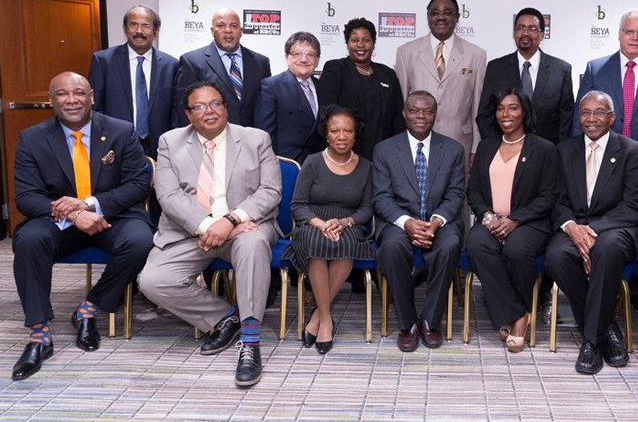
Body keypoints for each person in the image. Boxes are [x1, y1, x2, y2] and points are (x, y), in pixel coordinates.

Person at [11, 72, 153, 381]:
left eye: (78, 93)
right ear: (51, 101)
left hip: (109, 215)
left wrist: (88, 205)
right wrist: (73, 215)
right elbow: (25, 196)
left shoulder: (120, 131)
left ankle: (88, 309)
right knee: (28, 239)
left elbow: (139, 184)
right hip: (58, 221)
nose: (71, 100)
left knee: (141, 240)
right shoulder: (32, 138)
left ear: (92, 96)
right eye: (62, 94)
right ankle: (39, 334)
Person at [138, 81, 281, 388]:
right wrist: (207, 226)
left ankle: (250, 342)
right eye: (200, 106)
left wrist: (230, 220)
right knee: (152, 280)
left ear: (226, 107)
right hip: (191, 232)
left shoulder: (256, 139)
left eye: (216, 103)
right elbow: (168, 195)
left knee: (253, 243)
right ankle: (224, 317)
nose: (210, 111)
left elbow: (270, 191)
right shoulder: (170, 142)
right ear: (188, 113)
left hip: (245, 227)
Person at [546, 90, 638, 374]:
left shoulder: (632, 151)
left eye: (599, 112)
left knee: (607, 249)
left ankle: (591, 342)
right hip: (573, 226)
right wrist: (572, 227)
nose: (591, 119)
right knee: (556, 256)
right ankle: (607, 328)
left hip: (615, 227)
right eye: (585, 112)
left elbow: (634, 206)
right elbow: (555, 200)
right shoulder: (564, 150)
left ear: (612, 117)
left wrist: (590, 231)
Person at [466, 88, 558, 352]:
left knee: (518, 250)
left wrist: (515, 219)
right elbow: (473, 189)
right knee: (476, 245)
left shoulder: (543, 148)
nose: (506, 114)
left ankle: (515, 318)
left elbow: (548, 195)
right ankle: (519, 313)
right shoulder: (485, 146)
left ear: (525, 112)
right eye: (500, 108)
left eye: (513, 107)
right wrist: (485, 215)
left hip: (530, 223)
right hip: (490, 220)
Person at [373, 90, 466, 352]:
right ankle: (408, 324)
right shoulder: (385, 149)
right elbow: (381, 197)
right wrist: (407, 223)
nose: (421, 116)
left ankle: (430, 321)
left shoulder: (453, 149)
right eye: (414, 110)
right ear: (404, 113)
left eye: (427, 111)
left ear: (435, 115)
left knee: (448, 246)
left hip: (440, 220)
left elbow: (456, 194)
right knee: (391, 247)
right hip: (398, 221)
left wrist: (435, 223)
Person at [284, 105, 375, 355]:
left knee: (345, 244)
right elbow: (298, 205)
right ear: (326, 133)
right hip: (313, 222)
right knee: (316, 244)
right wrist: (321, 224)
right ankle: (326, 319)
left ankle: (316, 317)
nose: (342, 136)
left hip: (348, 223)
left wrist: (345, 222)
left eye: (348, 130)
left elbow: (367, 209)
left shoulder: (366, 166)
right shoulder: (313, 162)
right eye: (336, 130)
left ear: (356, 134)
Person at [395, 0, 486, 160]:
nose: (441, 17)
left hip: (459, 143)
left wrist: (476, 147)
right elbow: (401, 103)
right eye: (435, 13)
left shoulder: (476, 55)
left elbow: (477, 106)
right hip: (416, 142)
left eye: (447, 12)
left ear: (457, 17)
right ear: (428, 16)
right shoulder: (406, 52)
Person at [572, 9, 638, 145]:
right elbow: (580, 115)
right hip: (602, 153)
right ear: (619, 34)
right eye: (629, 31)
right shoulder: (595, 69)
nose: (635, 37)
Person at [88, 5, 178, 158]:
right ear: (125, 29)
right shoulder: (103, 61)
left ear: (155, 32)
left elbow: (175, 111)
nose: (139, 31)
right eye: (133, 24)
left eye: (146, 26)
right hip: (115, 145)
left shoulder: (172, 65)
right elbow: (95, 108)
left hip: (160, 146)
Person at [477, 7, 574, 144]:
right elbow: (485, 114)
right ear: (514, 33)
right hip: (505, 151)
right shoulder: (496, 68)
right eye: (520, 28)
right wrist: (496, 146)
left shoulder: (561, 70)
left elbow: (566, 119)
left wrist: (558, 154)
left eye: (532, 29)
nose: (525, 33)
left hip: (547, 154)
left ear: (542, 34)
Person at [319, 18, 404, 161]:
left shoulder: (387, 74)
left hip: (384, 153)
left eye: (366, 40)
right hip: (346, 152)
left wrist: (395, 151)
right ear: (347, 43)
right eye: (354, 40)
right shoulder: (335, 69)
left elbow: (398, 116)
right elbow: (327, 112)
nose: (360, 45)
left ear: (373, 43)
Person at [174, 8, 271, 128]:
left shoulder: (261, 63)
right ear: (212, 30)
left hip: (251, 139)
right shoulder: (192, 62)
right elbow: (184, 108)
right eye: (221, 25)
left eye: (234, 26)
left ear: (241, 31)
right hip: (210, 137)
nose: (228, 30)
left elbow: (266, 107)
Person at [255, 31, 324, 165]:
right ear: (287, 58)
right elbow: (265, 134)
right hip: (285, 165)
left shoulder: (324, 87)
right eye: (297, 54)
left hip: (317, 166)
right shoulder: (271, 86)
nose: (304, 59)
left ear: (317, 60)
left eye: (310, 54)